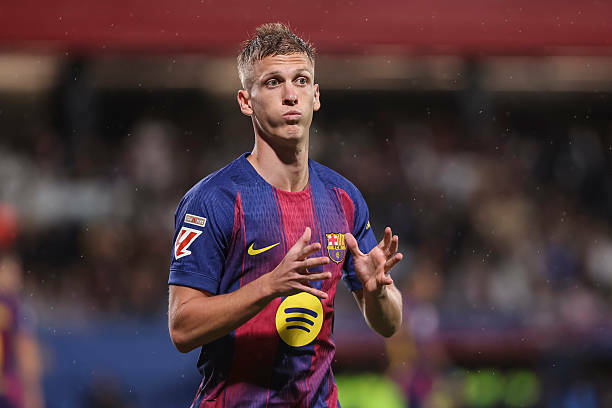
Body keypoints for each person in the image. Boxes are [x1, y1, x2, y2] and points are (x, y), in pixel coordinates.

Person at [168, 23, 403, 408]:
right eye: (273, 82)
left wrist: (378, 293)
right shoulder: (214, 200)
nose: (290, 95)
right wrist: (269, 285)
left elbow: (389, 325)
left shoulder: (343, 197)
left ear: (316, 96)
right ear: (246, 101)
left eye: (301, 80)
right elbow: (182, 327)